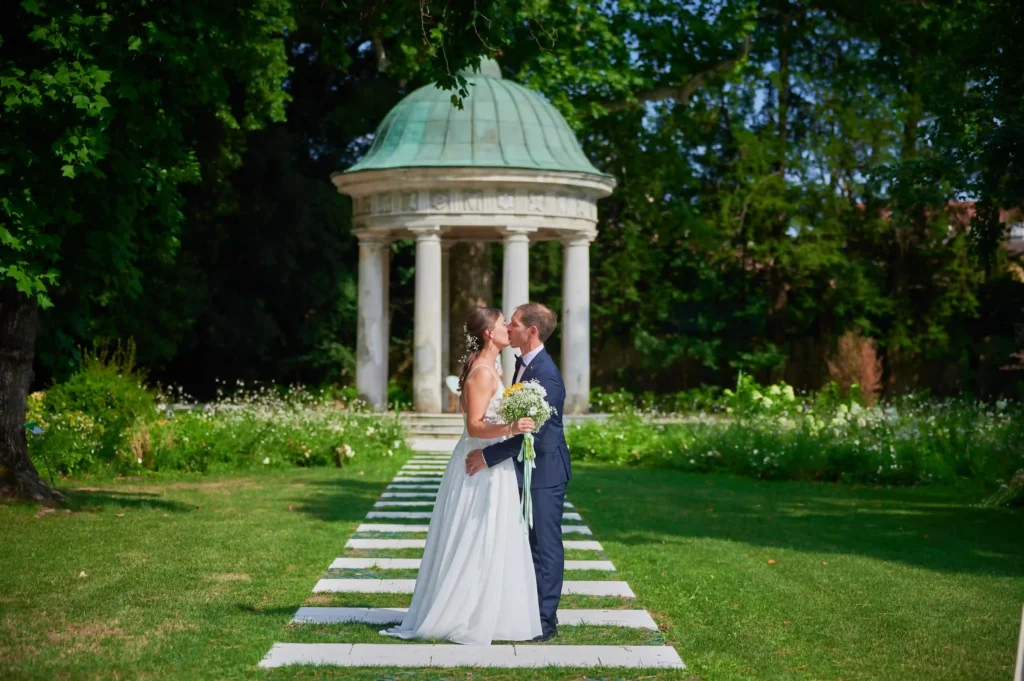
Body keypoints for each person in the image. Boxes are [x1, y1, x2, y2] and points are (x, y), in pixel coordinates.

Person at [380, 307, 542, 644]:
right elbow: (475, 426)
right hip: (477, 463)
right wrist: (513, 427)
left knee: (492, 534)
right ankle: (461, 612)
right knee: (475, 532)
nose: (508, 327)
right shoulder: (482, 372)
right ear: (489, 333)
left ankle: (489, 611)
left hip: (492, 462)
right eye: (502, 323)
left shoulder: (493, 367)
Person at [465, 302, 569, 642]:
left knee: (544, 546)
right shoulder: (521, 364)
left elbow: (537, 433)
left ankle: (545, 621)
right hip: (521, 469)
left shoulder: (546, 374)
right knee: (525, 545)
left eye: (514, 324)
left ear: (532, 331)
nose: (508, 328)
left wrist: (489, 456)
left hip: (544, 473)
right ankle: (523, 612)